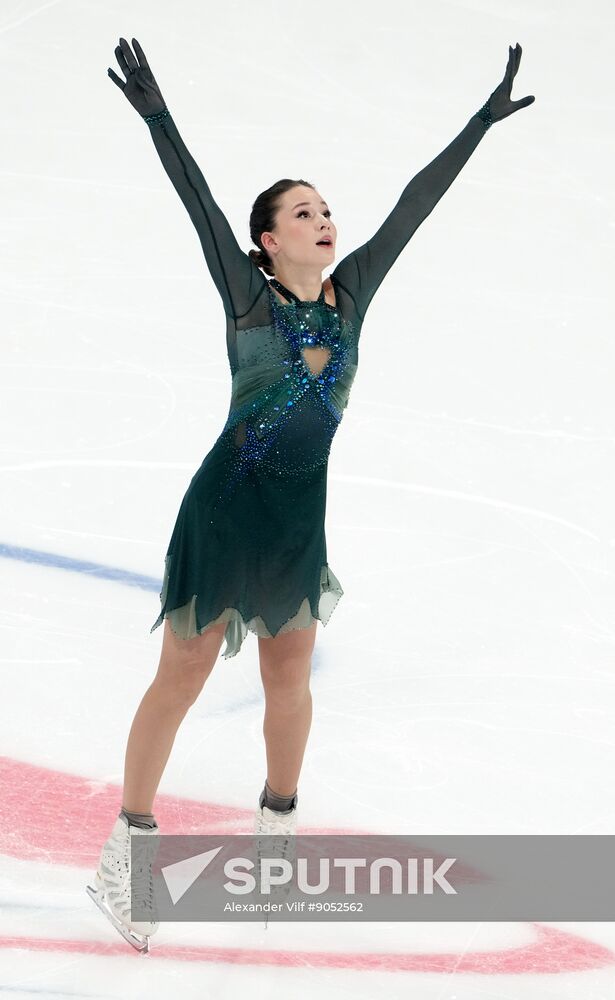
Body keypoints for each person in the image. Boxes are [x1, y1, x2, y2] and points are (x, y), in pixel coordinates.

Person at [87, 36, 535, 950]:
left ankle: (274, 844)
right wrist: (159, 120)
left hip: (296, 519)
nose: (324, 220)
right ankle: (124, 860)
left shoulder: (350, 298)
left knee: (288, 677)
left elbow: (415, 206)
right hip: (223, 511)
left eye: (326, 209)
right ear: (268, 240)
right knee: (180, 677)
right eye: (303, 211)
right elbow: (198, 204)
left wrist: (478, 126)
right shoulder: (249, 303)